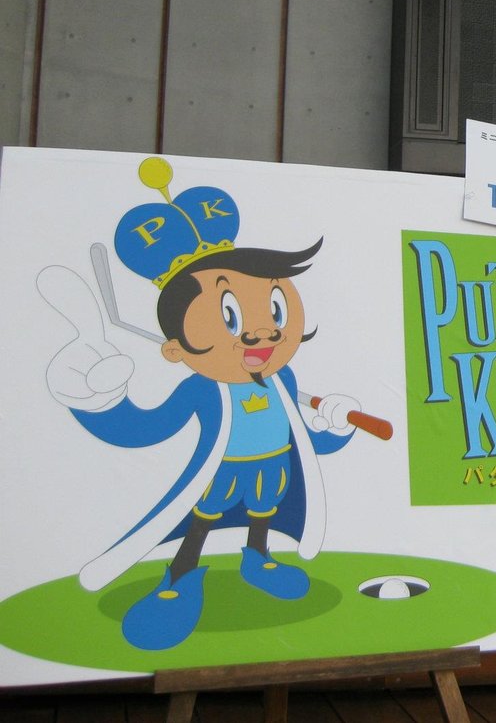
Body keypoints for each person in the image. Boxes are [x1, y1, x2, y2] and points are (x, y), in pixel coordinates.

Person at [46, 157, 361, 651]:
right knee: (202, 517)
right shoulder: (203, 388)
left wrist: (336, 426)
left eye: (274, 306)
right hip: (223, 469)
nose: (262, 330)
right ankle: (181, 573)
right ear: (175, 350)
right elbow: (144, 429)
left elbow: (306, 438)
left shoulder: (285, 377)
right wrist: (95, 397)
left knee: (265, 509)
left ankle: (259, 556)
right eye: (232, 314)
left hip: (272, 468)